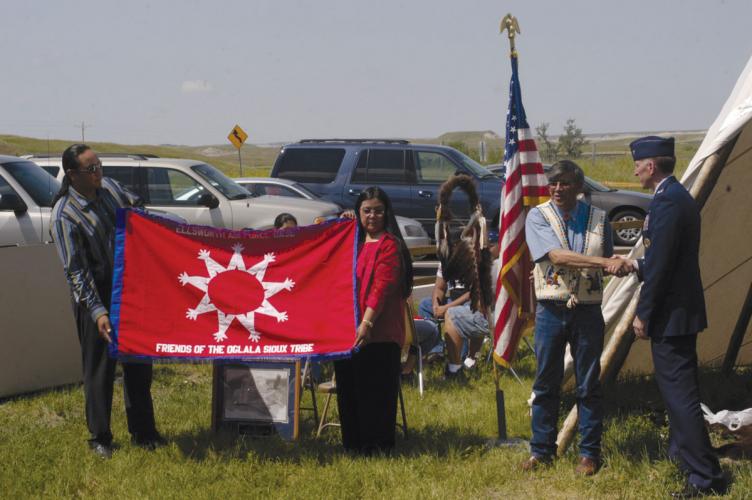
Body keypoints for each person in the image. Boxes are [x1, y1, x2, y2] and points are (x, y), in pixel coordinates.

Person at [621, 136, 726, 497]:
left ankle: (704, 477)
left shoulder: (667, 202)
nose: (634, 169)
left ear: (651, 166)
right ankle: (685, 456)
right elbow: (666, 258)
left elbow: (664, 268)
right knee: (678, 393)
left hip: (671, 315)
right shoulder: (676, 196)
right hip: (680, 312)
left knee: (680, 397)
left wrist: (643, 313)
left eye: (637, 164)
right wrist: (636, 264)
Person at [50, 144, 164, 459]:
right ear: (72, 175)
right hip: (95, 295)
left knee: (138, 364)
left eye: (99, 165)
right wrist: (98, 312)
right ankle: (100, 437)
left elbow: (137, 208)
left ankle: (144, 431)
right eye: (91, 169)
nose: (98, 172)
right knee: (100, 369)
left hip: (128, 287)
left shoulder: (110, 188)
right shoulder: (64, 216)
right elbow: (76, 272)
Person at [520, 160, 628, 476]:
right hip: (551, 309)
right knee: (546, 381)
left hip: (588, 309)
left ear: (579, 187)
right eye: (553, 183)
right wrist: (604, 262)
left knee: (589, 383)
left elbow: (607, 258)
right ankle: (542, 450)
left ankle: (589, 454)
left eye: (565, 183)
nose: (557, 189)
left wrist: (611, 263)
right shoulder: (538, 216)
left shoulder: (598, 218)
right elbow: (555, 256)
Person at [334, 186, 413, 454]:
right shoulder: (352, 242)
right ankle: (353, 447)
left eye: (378, 211)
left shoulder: (390, 245)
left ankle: (377, 448)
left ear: (386, 212)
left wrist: (366, 324)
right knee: (350, 392)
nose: (372, 216)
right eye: (366, 211)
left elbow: (381, 288)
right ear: (358, 212)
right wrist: (341, 224)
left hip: (379, 333)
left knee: (375, 393)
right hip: (347, 332)